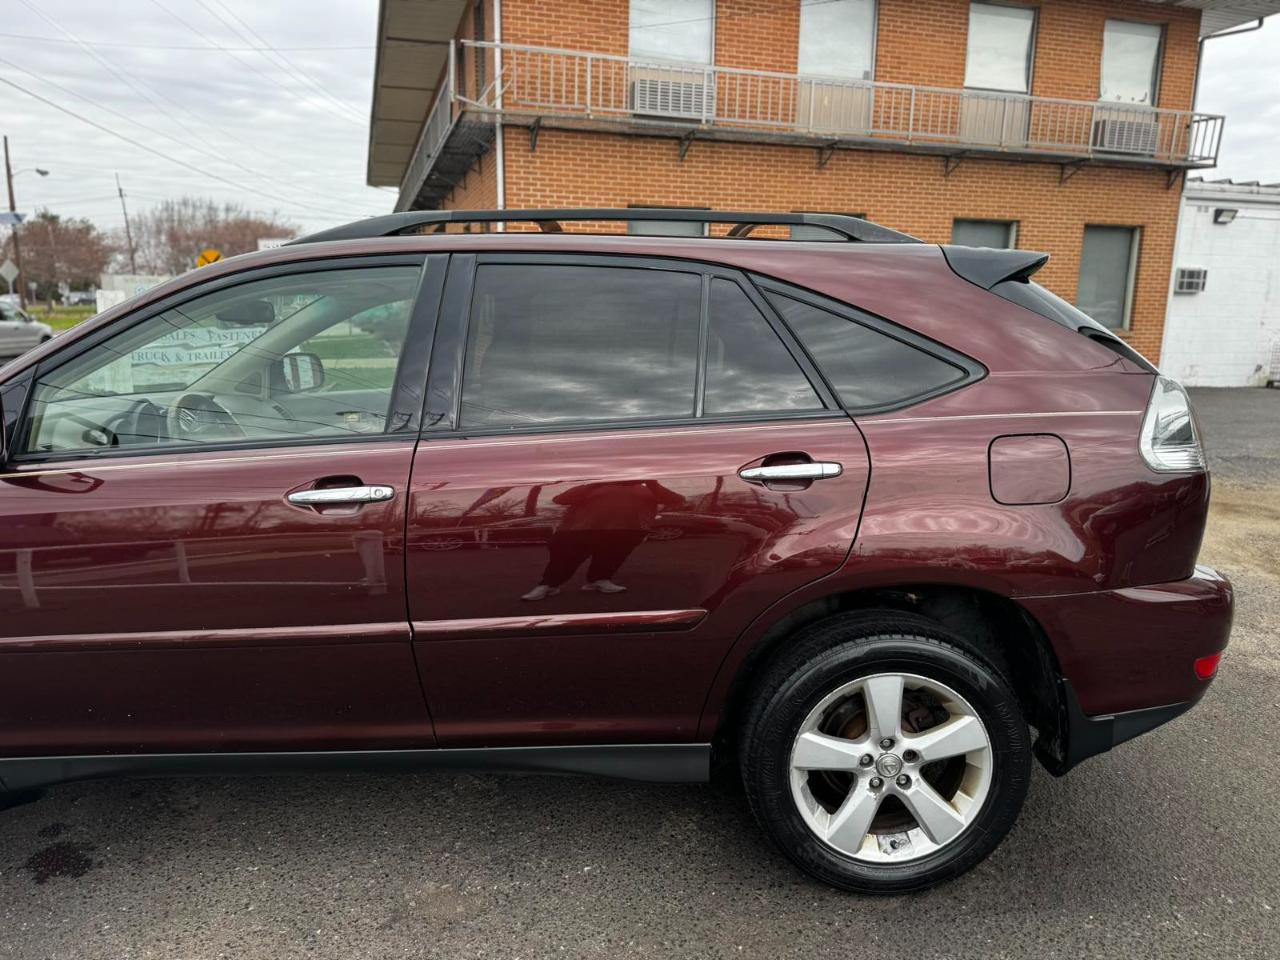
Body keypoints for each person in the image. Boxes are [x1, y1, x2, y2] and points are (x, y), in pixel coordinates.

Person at [521, 480, 684, 601]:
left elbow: (676, 500)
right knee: (565, 560)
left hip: (628, 530)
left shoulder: (648, 488)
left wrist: (652, 483)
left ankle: (598, 581)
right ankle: (548, 586)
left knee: (611, 559)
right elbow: (560, 499)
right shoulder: (594, 486)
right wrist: (596, 483)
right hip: (582, 530)